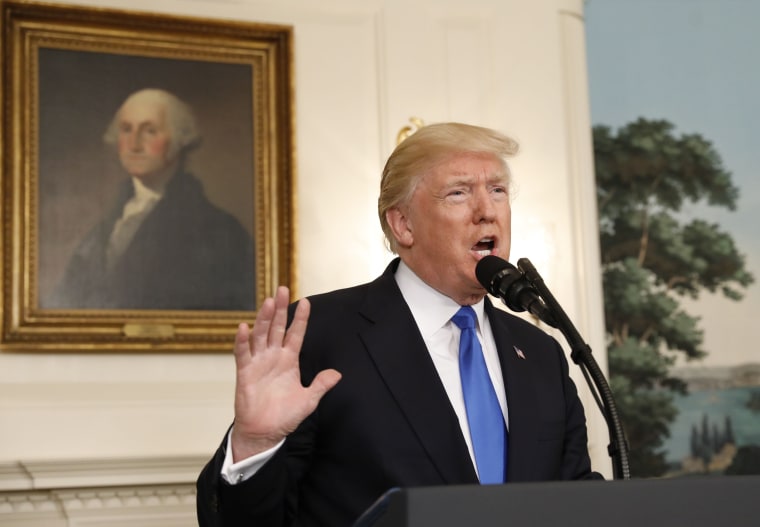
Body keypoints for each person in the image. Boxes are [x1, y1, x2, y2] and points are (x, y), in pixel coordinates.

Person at [196, 122, 601, 526]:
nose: (487, 211)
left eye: (497, 190)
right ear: (403, 225)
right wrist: (254, 446)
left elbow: (574, 498)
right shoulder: (319, 334)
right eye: (459, 193)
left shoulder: (540, 352)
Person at [47, 88, 255, 310]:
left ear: (178, 139)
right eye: (126, 129)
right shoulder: (107, 225)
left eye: (150, 131)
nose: (134, 144)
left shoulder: (221, 231)